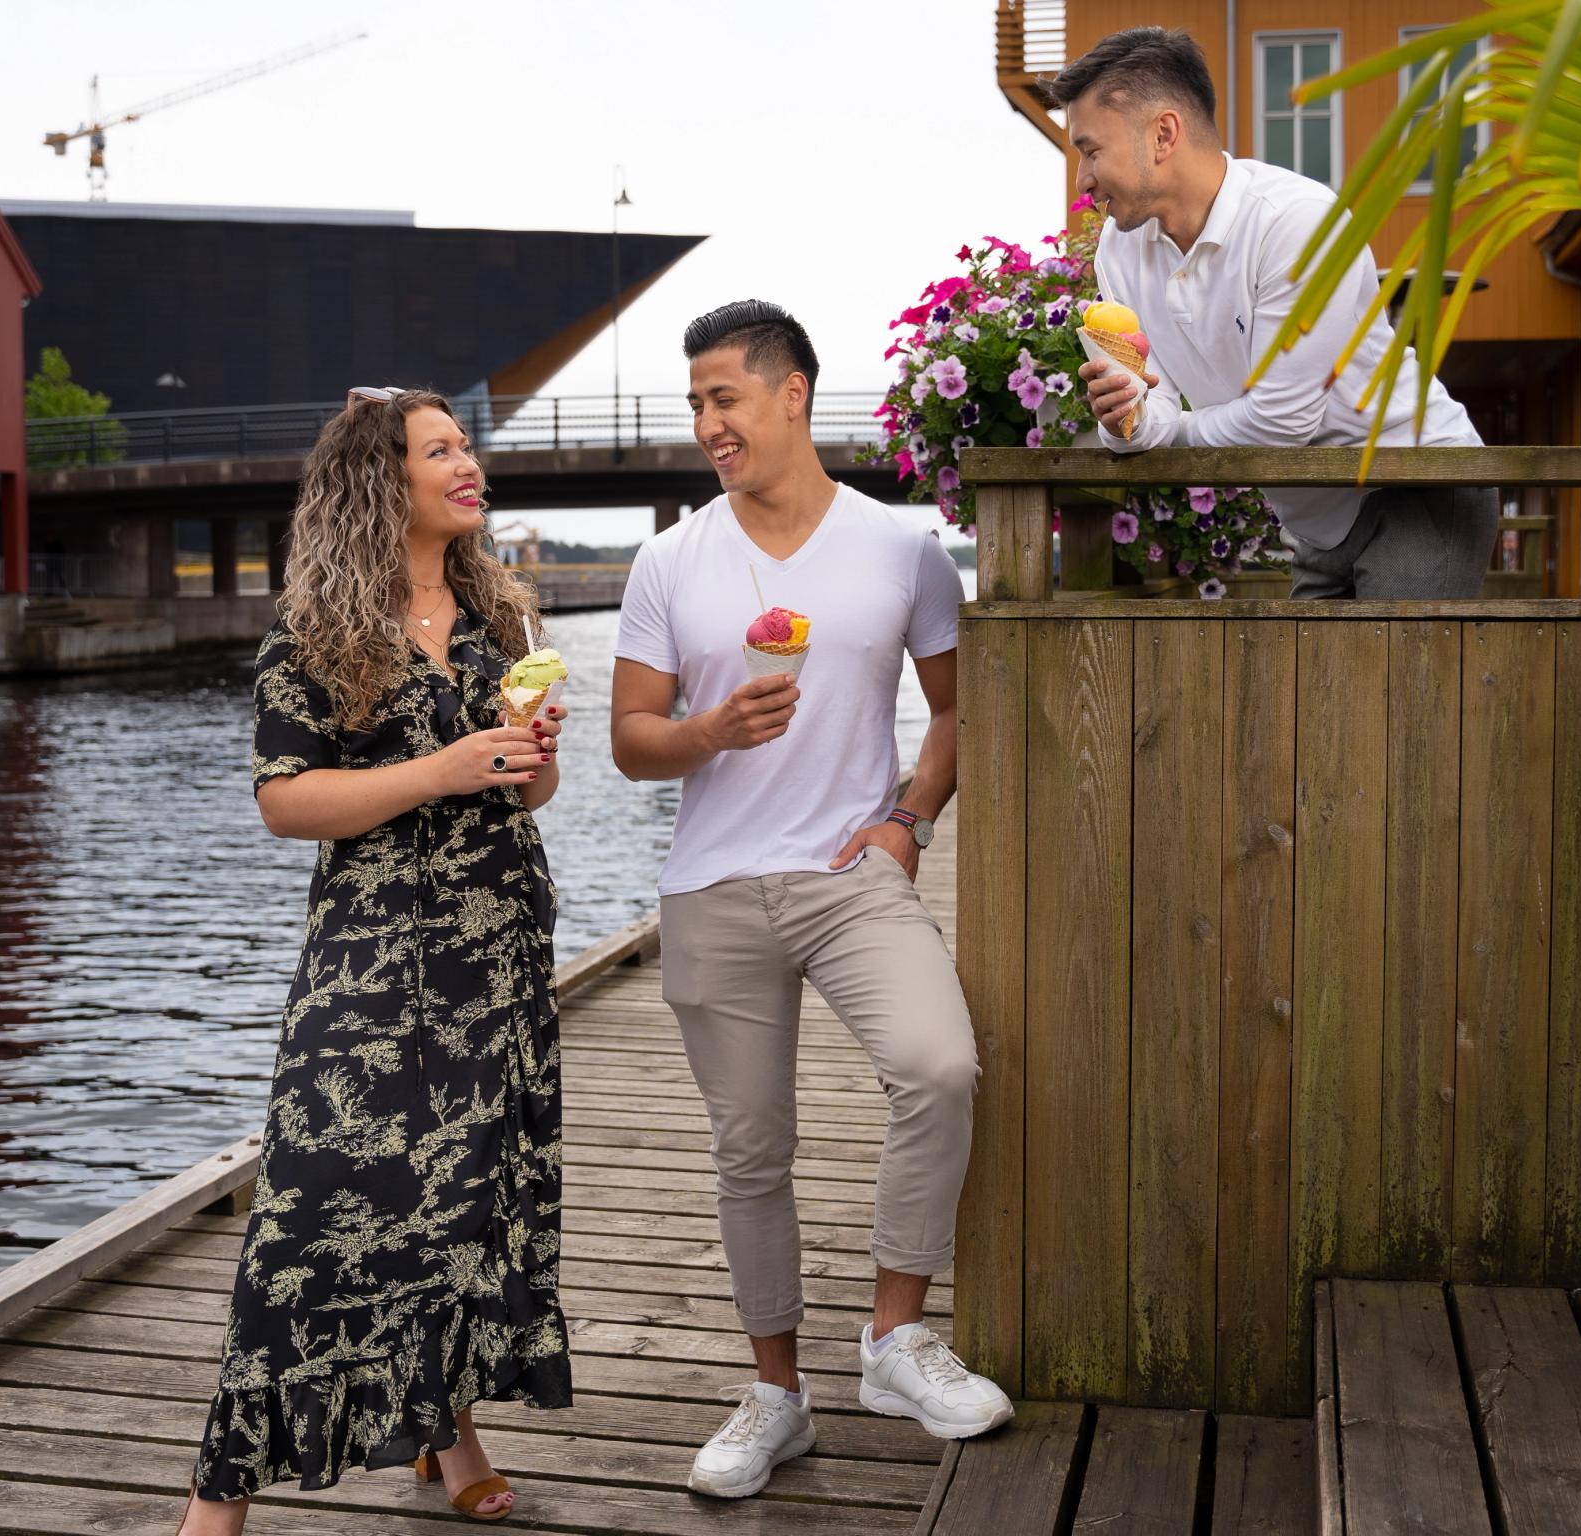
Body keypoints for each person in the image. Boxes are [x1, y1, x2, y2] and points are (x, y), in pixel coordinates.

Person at [610, 301, 1014, 1502]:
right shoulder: (668, 560)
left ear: (791, 394)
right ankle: (774, 1397)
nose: (705, 425)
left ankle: (893, 1339)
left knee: (938, 1068)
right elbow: (632, 742)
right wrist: (704, 729)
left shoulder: (898, 547)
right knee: (751, 1151)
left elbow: (951, 708)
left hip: (850, 875)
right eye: (693, 404)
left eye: (722, 398)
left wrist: (908, 822)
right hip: (711, 885)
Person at [177, 387, 571, 1533]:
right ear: (378, 482)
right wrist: (440, 770)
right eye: (439, 449)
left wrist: (528, 756)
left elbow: (529, 791)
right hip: (374, 960)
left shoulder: (501, 616)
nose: (467, 463)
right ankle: (218, 1496)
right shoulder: (316, 629)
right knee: (311, 1211)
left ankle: (446, 1436)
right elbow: (286, 801)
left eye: (465, 445)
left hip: (496, 950)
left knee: (459, 1205)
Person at [1055, 27, 1499, 599]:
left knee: (1392, 688)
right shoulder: (1119, 249)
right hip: (1314, 513)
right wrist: (1121, 422)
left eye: (1091, 151)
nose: (1083, 178)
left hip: (1419, 481)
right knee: (1313, 690)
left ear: (1163, 134)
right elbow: (1148, 409)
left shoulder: (1297, 222)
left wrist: (1167, 431)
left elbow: (1283, 422)